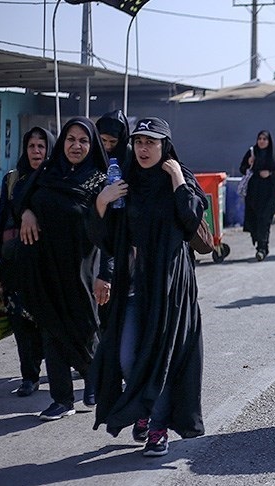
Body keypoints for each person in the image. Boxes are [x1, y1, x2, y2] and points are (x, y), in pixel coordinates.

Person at [89, 116, 206, 457]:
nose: (143, 148)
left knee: (163, 358)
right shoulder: (125, 182)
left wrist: (177, 179)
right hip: (132, 287)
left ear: (164, 146)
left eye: (152, 142)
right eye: (139, 141)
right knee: (127, 357)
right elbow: (105, 239)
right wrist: (101, 202)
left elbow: (191, 220)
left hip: (170, 288)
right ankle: (144, 407)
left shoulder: (179, 178)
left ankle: (157, 428)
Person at [17, 117, 113, 420]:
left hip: (81, 268)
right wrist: (27, 213)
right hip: (44, 266)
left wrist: (105, 275)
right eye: (70, 139)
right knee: (51, 329)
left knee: (84, 329)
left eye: (83, 140)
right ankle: (62, 399)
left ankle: (96, 380)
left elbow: (110, 233)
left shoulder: (100, 181)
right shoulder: (48, 173)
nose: (76, 145)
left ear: (91, 145)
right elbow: (20, 198)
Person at [0, 126, 54, 397]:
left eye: (41, 146)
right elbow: (0, 218)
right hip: (13, 262)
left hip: (45, 263)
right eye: (31, 146)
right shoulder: (12, 179)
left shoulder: (55, 178)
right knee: (18, 317)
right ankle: (29, 376)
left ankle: (62, 368)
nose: (36, 151)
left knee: (44, 318)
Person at [239, 130, 275, 261]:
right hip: (254, 194)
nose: (262, 141)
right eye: (260, 138)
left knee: (264, 221)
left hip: (270, 194)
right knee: (255, 221)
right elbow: (242, 169)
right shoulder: (252, 152)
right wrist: (249, 163)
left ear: (269, 141)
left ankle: (262, 248)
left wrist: (270, 174)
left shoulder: (274, 155)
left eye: (265, 139)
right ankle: (261, 245)